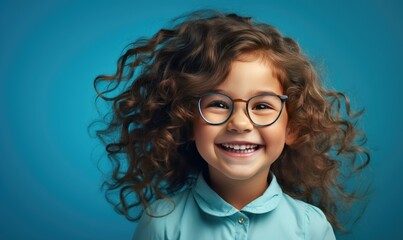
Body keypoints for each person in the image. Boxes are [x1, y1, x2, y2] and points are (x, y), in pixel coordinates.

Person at [94, 10, 370, 240]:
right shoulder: (162, 224)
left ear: (293, 127)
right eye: (218, 104)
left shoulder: (311, 227)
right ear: (186, 121)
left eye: (262, 106)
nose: (239, 122)